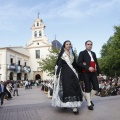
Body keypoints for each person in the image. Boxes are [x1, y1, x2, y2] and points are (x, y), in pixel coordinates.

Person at [52, 40, 83, 114]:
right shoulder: (62, 55)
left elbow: (75, 65)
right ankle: (65, 104)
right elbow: (59, 65)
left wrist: (83, 65)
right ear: (64, 45)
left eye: (69, 44)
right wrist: (56, 75)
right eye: (67, 44)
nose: (68, 45)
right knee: (67, 89)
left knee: (75, 88)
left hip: (73, 74)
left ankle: (74, 107)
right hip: (65, 74)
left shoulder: (72, 55)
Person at [78, 40, 102, 110]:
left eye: (91, 44)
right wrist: (88, 67)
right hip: (85, 72)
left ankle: (87, 98)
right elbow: (79, 63)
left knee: (96, 87)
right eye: (88, 44)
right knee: (88, 87)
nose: (89, 45)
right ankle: (89, 103)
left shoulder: (93, 53)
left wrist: (99, 73)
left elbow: (96, 64)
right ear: (85, 45)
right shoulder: (82, 53)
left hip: (93, 73)